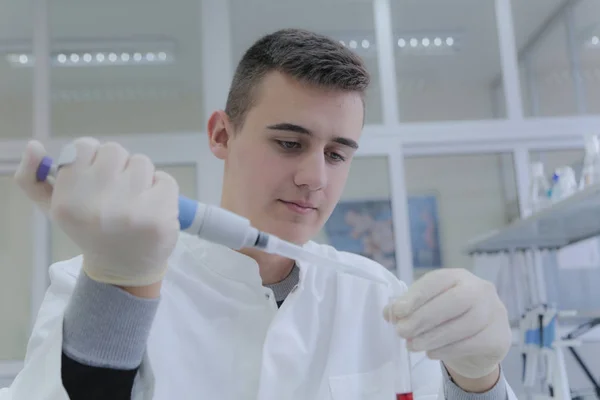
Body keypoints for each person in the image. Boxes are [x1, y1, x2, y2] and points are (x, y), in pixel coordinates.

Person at [3, 28, 516, 400]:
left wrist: (477, 379)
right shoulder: (99, 283)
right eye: (290, 142)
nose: (315, 176)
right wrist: (116, 294)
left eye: (337, 154)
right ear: (221, 135)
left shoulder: (377, 298)